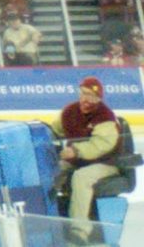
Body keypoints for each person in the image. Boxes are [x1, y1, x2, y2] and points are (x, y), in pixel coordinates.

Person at [57, 76, 134, 238]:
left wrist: (76, 151)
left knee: (81, 177)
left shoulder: (105, 117)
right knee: (52, 170)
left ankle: (80, 229)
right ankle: (49, 218)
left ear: (98, 99)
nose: (86, 99)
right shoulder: (70, 112)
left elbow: (101, 146)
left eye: (91, 96)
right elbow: (54, 130)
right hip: (78, 160)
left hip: (107, 162)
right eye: (83, 93)